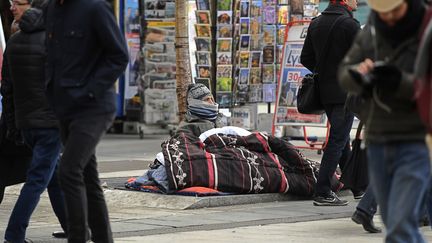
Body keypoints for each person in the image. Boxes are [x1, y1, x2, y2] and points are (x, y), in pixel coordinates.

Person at [338, 0, 430, 241]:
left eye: (394, 11)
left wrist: (400, 82)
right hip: (379, 137)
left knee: (400, 227)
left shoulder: (426, 31)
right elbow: (345, 72)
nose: (388, 17)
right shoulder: (372, 30)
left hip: (415, 137)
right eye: (383, 11)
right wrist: (358, 75)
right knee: (396, 226)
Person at [45, 0, 129, 242]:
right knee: (88, 177)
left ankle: (78, 237)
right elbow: (50, 56)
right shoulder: (51, 9)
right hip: (65, 107)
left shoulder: (95, 8)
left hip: (94, 107)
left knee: (69, 170)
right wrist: (49, 91)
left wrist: (91, 90)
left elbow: (119, 56)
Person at [1, 1, 69, 242]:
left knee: (55, 176)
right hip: (50, 125)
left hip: (27, 125)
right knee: (37, 180)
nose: (11, 8)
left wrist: (13, 125)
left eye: (16, 3)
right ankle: (14, 234)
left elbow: (6, 90)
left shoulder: (14, 43)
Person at [300, 0, 360, 206]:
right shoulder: (350, 25)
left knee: (341, 139)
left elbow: (305, 57)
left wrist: (326, 71)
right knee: (337, 140)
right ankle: (323, 190)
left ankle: (357, 186)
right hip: (345, 92)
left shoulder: (316, 23)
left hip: (325, 92)